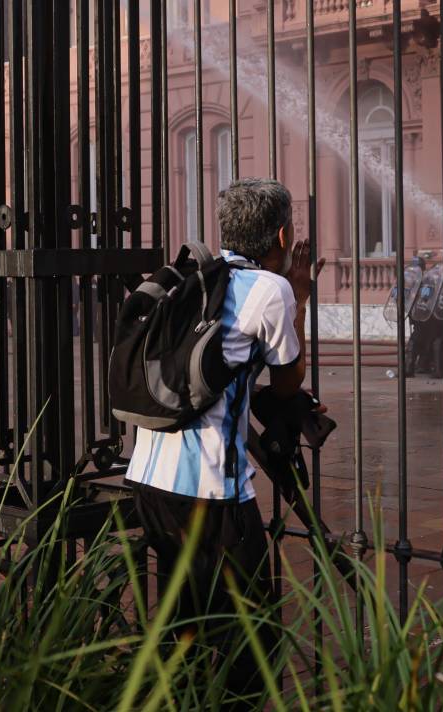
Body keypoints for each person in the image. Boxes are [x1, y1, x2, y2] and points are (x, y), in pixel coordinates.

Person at [125, 178, 323, 709]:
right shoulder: (271, 290)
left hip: (149, 479)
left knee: (184, 628)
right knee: (254, 641)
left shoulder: (194, 278)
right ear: (281, 235)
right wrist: (300, 296)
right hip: (211, 493)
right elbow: (288, 380)